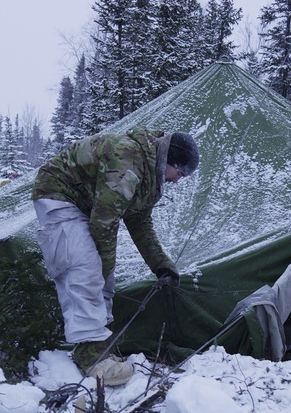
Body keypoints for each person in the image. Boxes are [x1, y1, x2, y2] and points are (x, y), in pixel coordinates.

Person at [31, 126, 200, 386]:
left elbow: (140, 222)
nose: (177, 180)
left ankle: (101, 344)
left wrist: (161, 264)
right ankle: (91, 356)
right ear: (169, 160)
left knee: (102, 273)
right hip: (58, 194)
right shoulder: (128, 161)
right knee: (85, 267)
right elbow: (103, 224)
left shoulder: (149, 175)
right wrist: (104, 268)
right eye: (178, 173)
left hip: (87, 204)